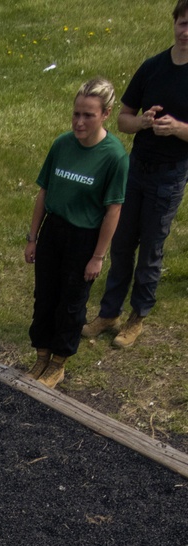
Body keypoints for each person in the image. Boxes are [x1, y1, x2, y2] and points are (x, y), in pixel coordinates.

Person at [83, 2, 188, 350]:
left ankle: (137, 317)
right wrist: (143, 122)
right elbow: (123, 119)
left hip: (170, 176)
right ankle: (109, 312)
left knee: (151, 251)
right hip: (137, 169)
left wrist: (177, 129)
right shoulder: (153, 67)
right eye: (183, 24)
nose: (186, 32)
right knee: (122, 244)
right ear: (174, 24)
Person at [24, 78, 129, 389]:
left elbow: (113, 210)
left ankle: (58, 362)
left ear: (106, 114)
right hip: (53, 230)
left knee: (71, 303)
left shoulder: (114, 156)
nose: (80, 122)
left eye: (89, 115)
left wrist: (97, 257)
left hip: (84, 237)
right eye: (76, 114)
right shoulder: (61, 144)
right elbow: (44, 191)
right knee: (44, 296)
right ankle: (41, 354)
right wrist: (33, 238)